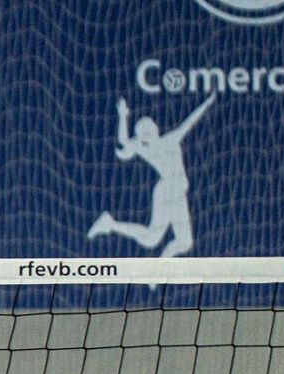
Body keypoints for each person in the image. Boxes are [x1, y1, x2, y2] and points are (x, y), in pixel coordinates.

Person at [87, 95, 216, 259]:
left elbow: (190, 121)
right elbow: (124, 141)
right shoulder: (159, 144)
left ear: (155, 129)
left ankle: (111, 224)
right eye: (145, 131)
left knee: (173, 241)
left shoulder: (164, 142)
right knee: (165, 240)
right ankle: (111, 224)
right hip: (168, 190)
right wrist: (122, 116)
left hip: (173, 191)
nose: (150, 131)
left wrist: (206, 103)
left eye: (150, 127)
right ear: (142, 136)